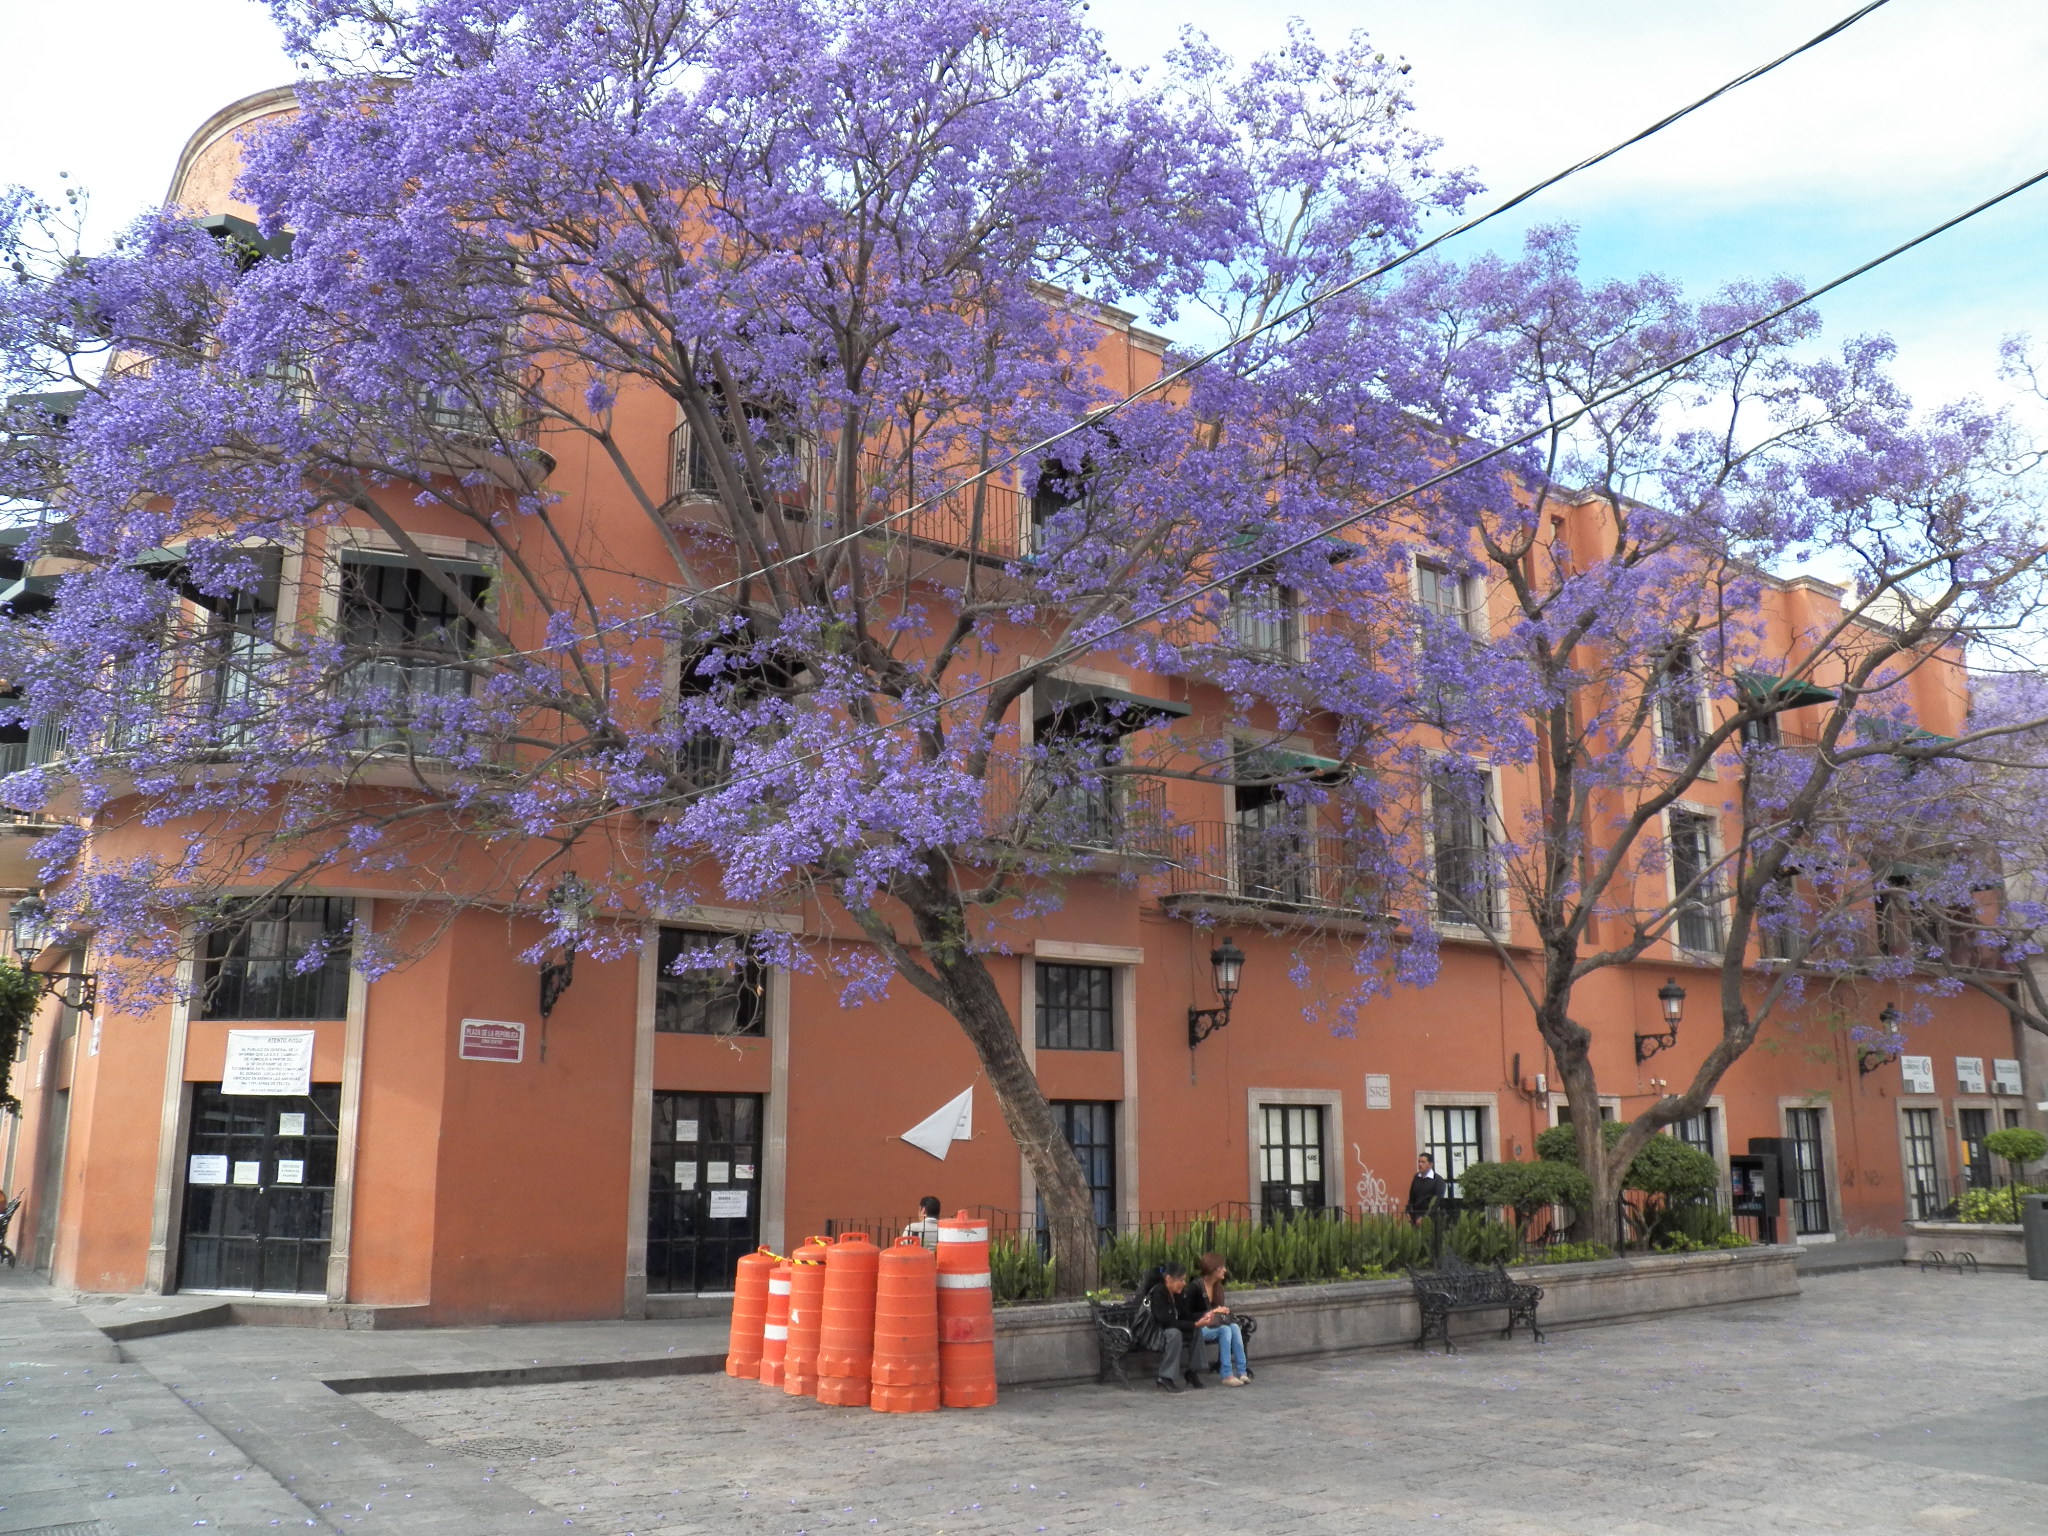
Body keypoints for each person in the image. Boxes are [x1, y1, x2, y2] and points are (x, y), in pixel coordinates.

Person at [1133, 1260, 1210, 1392]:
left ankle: (1192, 1371)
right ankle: (1165, 1377)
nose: (1184, 1283)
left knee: (1196, 1330)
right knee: (1175, 1333)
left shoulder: (1177, 1293)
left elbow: (1185, 1315)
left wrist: (1204, 1317)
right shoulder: (1158, 1292)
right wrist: (1193, 1324)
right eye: (1181, 1280)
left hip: (1169, 1327)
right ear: (1169, 1279)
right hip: (1154, 1333)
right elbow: (1165, 1321)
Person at [1194, 1252, 1249, 1386]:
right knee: (1225, 1330)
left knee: (1234, 1327)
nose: (1225, 1270)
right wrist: (1213, 1311)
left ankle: (1242, 1372)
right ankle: (1227, 1375)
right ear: (1213, 1268)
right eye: (1222, 1267)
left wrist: (1222, 1311)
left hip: (1212, 1325)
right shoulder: (1195, 1287)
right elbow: (1189, 1313)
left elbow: (1217, 1314)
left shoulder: (1218, 1287)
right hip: (1198, 1327)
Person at [1406, 1152, 1447, 1224]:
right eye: (1419, 1162)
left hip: (1430, 1218)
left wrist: (1425, 1217)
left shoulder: (1438, 1180)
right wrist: (1408, 1212)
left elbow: (1437, 1201)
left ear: (1430, 1164)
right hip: (1415, 1216)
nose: (1420, 1164)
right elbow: (1411, 1197)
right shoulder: (1416, 1177)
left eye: (1423, 1162)